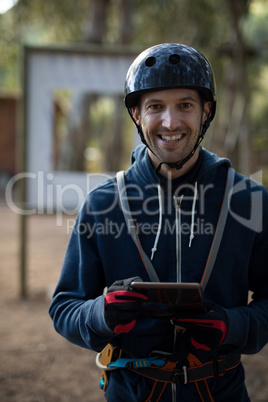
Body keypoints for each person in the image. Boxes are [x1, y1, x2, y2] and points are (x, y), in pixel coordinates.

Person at [49, 43, 268, 401]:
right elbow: (65, 307)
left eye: (185, 105)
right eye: (155, 107)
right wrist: (100, 313)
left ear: (206, 111)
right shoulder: (103, 203)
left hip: (221, 391)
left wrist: (233, 326)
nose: (171, 122)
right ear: (136, 114)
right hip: (132, 393)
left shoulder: (250, 200)